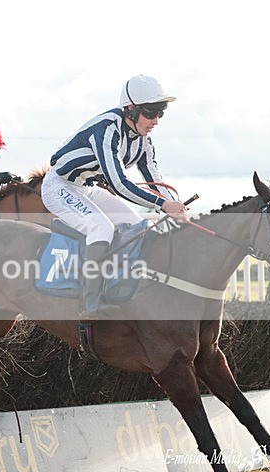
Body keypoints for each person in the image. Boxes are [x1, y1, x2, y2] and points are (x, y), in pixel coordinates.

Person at [41, 74, 190, 319]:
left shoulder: (144, 141)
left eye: (161, 113)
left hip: (86, 188)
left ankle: (123, 287)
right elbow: (119, 184)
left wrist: (176, 208)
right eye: (151, 113)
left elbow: (154, 179)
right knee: (101, 228)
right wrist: (163, 204)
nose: (156, 120)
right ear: (131, 109)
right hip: (59, 186)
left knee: (136, 226)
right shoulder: (108, 129)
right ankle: (90, 304)